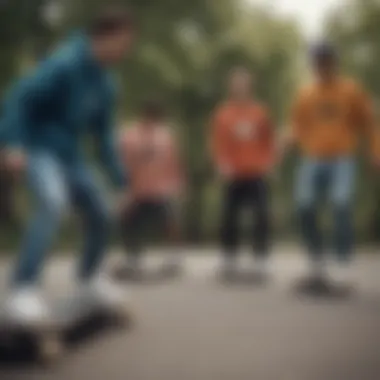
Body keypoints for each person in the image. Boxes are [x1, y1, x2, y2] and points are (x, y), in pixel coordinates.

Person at [0, 6, 135, 324]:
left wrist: (121, 180)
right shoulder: (65, 62)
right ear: (106, 37)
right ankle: (23, 289)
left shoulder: (106, 83)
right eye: (123, 43)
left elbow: (103, 136)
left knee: (102, 211)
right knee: (52, 202)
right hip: (38, 149)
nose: (125, 51)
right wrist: (13, 143)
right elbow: (20, 98)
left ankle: (89, 280)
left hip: (71, 157)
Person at [287, 43, 380, 291]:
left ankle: (342, 264)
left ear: (334, 62)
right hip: (313, 158)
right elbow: (297, 125)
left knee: (341, 202)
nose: (321, 66)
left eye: (325, 60)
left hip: (342, 158)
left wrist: (375, 151)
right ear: (313, 64)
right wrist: (285, 140)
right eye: (317, 61)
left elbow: (368, 123)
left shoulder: (351, 90)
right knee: (304, 204)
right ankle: (316, 263)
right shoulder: (305, 94)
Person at [210, 67, 276, 279]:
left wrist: (269, 163)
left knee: (262, 215)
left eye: (243, 83)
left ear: (249, 86)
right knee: (228, 216)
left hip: (256, 172)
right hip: (233, 173)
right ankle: (229, 258)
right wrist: (221, 164)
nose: (239, 87)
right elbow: (218, 143)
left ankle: (261, 259)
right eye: (235, 83)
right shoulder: (223, 114)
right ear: (230, 87)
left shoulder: (260, 112)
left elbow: (269, 141)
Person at [116, 99, 185, 277]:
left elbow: (173, 163)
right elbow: (122, 163)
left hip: (160, 190)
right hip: (137, 191)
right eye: (149, 117)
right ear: (143, 116)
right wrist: (123, 189)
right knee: (129, 220)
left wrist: (177, 185)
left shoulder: (165, 136)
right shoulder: (129, 136)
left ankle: (173, 257)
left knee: (170, 221)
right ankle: (133, 257)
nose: (152, 122)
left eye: (155, 119)